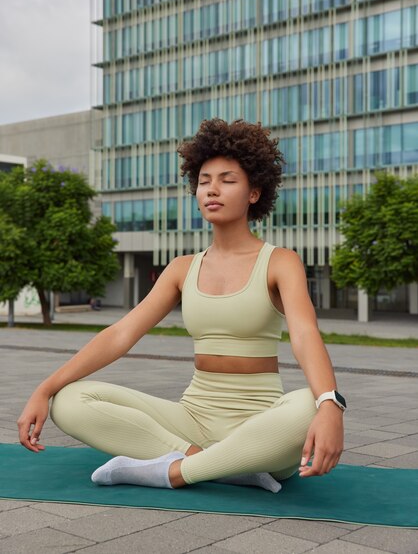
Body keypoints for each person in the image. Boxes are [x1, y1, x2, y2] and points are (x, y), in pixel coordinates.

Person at [18, 118, 345, 493]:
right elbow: (121, 334)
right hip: (191, 419)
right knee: (70, 400)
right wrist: (44, 388)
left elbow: (305, 334)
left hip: (262, 423)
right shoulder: (181, 268)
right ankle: (222, 464)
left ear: (254, 193)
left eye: (227, 180)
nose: (212, 189)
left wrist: (329, 404)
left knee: (308, 406)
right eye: (204, 181)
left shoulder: (280, 261)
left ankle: (173, 472)